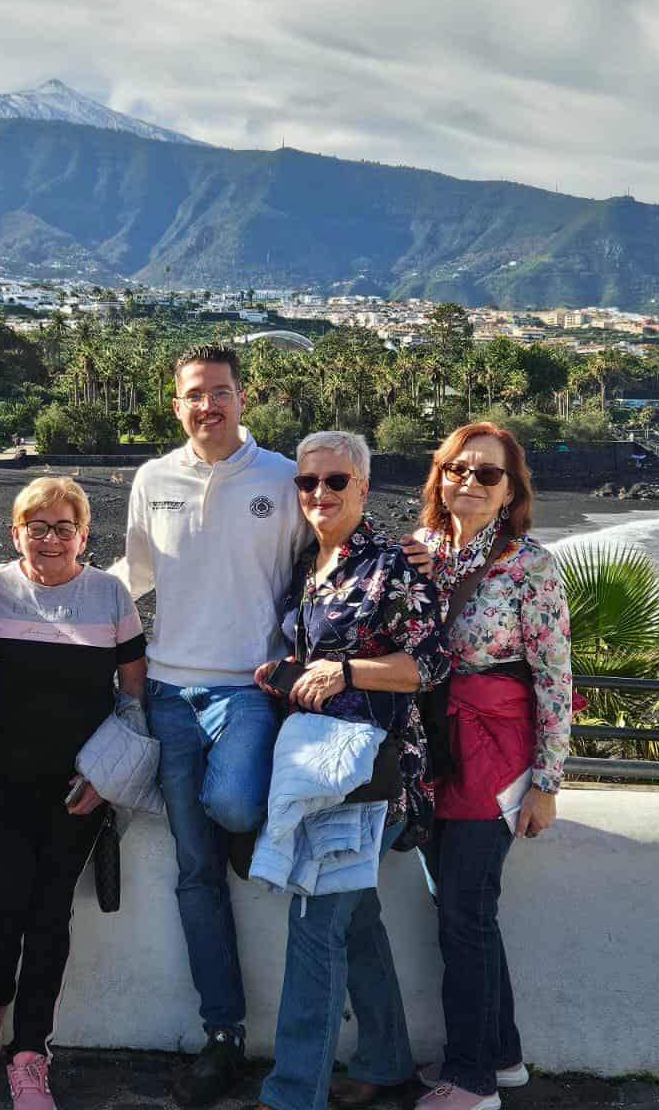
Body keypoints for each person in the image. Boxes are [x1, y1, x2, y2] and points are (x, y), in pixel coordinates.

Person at [109, 342, 304, 1106]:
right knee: (194, 873)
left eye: (220, 391)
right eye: (194, 394)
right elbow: (133, 578)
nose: (207, 405)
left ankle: (242, 836)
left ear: (242, 397)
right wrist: (47, 603)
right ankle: (223, 1034)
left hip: (248, 688)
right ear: (177, 405)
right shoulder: (152, 479)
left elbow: (314, 572)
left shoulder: (282, 477)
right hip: (166, 691)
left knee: (233, 805)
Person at [247, 432, 448, 1110]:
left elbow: (429, 665)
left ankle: (291, 1094)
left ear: (362, 486)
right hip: (316, 767)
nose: (320, 493)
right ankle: (386, 1061)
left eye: (336, 481)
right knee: (355, 920)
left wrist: (346, 671)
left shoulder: (393, 563)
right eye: (308, 483)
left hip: (369, 774)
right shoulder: (307, 565)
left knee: (314, 925)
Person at [0, 478, 147, 1110]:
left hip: (78, 790)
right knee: (4, 896)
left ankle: (30, 1054)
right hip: (1, 781)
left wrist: (106, 779)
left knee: (49, 915)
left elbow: (133, 696)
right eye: (36, 527)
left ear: (83, 536)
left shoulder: (110, 594)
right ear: (16, 533)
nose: (50, 539)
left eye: (63, 527)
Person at [410, 422, 574, 1110]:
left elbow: (555, 676)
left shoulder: (530, 565)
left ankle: (471, 1080)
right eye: (458, 468)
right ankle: (501, 1058)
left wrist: (547, 783)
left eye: (487, 474)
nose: (470, 482)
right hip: (436, 744)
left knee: (464, 910)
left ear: (511, 491)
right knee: (461, 905)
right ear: (440, 476)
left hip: (498, 748)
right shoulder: (421, 551)